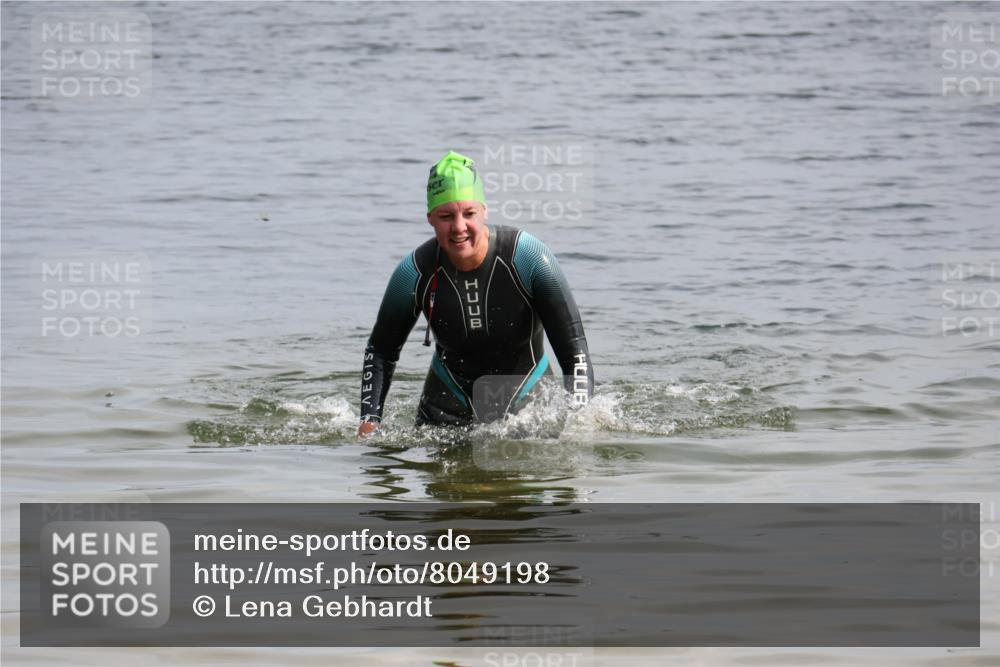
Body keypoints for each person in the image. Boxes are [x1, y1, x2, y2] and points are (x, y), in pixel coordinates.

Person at [358, 151, 594, 436]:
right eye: (446, 216)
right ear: (430, 218)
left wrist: (579, 418)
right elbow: (381, 351)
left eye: (469, 214)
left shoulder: (529, 257)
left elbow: (575, 352)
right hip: (445, 407)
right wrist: (369, 421)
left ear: (484, 210)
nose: (459, 227)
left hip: (528, 405)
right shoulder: (414, 272)